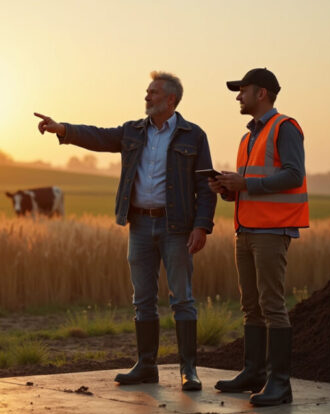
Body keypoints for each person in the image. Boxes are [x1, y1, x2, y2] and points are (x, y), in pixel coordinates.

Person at [35, 71, 216, 391]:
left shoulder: (194, 135)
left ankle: (189, 369)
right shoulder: (133, 131)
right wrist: (63, 129)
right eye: (146, 91)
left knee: (182, 299)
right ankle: (147, 366)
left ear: (171, 99)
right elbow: (100, 136)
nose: (147, 96)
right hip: (140, 225)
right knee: (143, 299)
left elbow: (206, 185)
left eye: (153, 92)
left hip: (176, 228)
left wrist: (201, 226)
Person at [208, 68, 308, 406]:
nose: (238, 96)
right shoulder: (247, 137)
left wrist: (245, 184)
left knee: (272, 306)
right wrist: (228, 189)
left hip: (271, 230)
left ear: (261, 93)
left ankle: (280, 385)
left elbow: (294, 175)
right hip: (247, 229)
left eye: (242, 90)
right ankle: (254, 373)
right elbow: (249, 186)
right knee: (251, 306)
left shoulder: (285, 128)